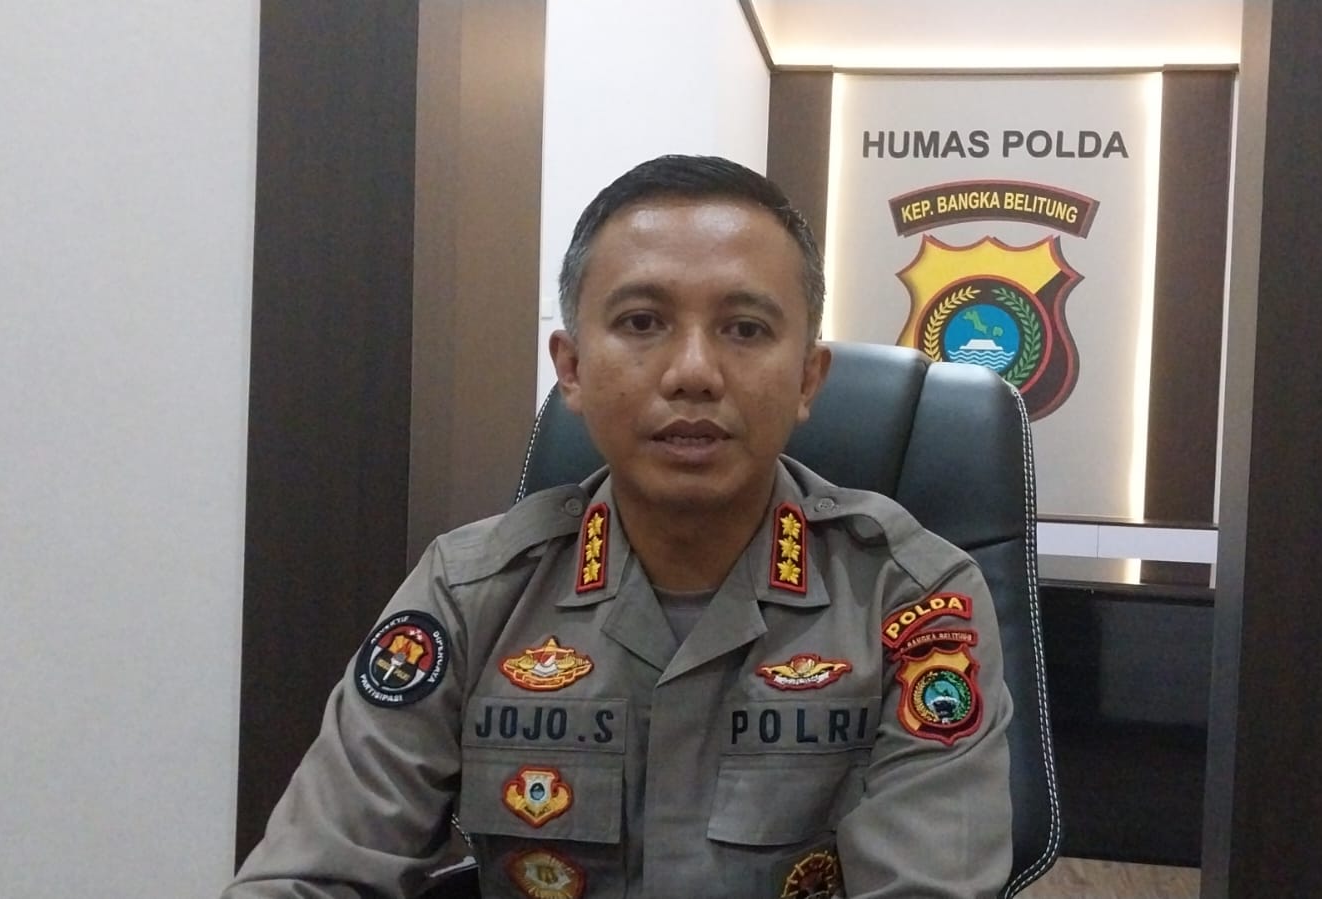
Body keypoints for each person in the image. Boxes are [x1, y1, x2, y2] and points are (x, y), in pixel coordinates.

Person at [225, 155, 1014, 899]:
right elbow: (312, 872)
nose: (693, 371)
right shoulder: (469, 594)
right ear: (570, 367)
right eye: (642, 322)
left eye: (744, 329)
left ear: (808, 377)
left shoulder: (911, 599)